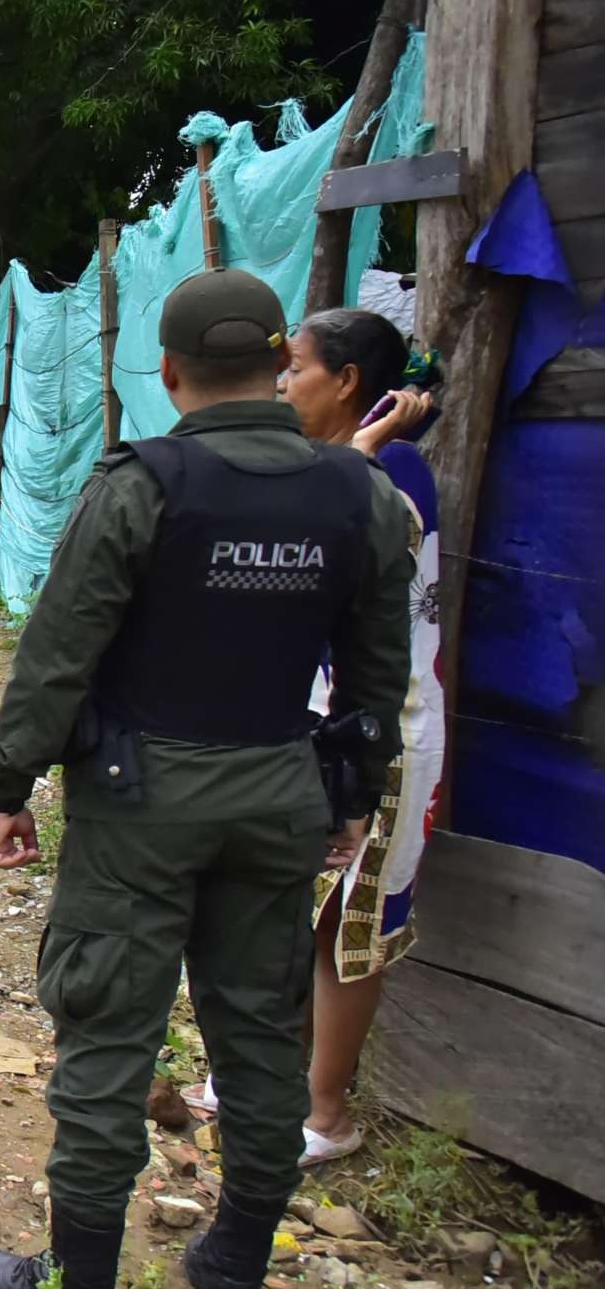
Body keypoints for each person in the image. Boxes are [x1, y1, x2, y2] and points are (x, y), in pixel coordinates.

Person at [0, 269, 412, 1289]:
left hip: (139, 802)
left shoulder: (142, 484)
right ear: (278, 362)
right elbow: (375, 675)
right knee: (259, 1032)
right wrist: (348, 797)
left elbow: (59, 650)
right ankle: (232, 1274)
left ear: (167, 372)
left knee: (109, 1030)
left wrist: (5, 786)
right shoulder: (359, 495)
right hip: (278, 793)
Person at [185, 306, 441, 1165]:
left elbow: (344, 539)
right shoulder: (334, 465)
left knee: (350, 931)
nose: (282, 382)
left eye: (296, 367)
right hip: (316, 724)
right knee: (282, 907)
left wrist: (365, 448)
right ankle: (261, 1076)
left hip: (385, 732)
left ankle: (327, 1114)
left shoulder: (394, 472)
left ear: (349, 382)